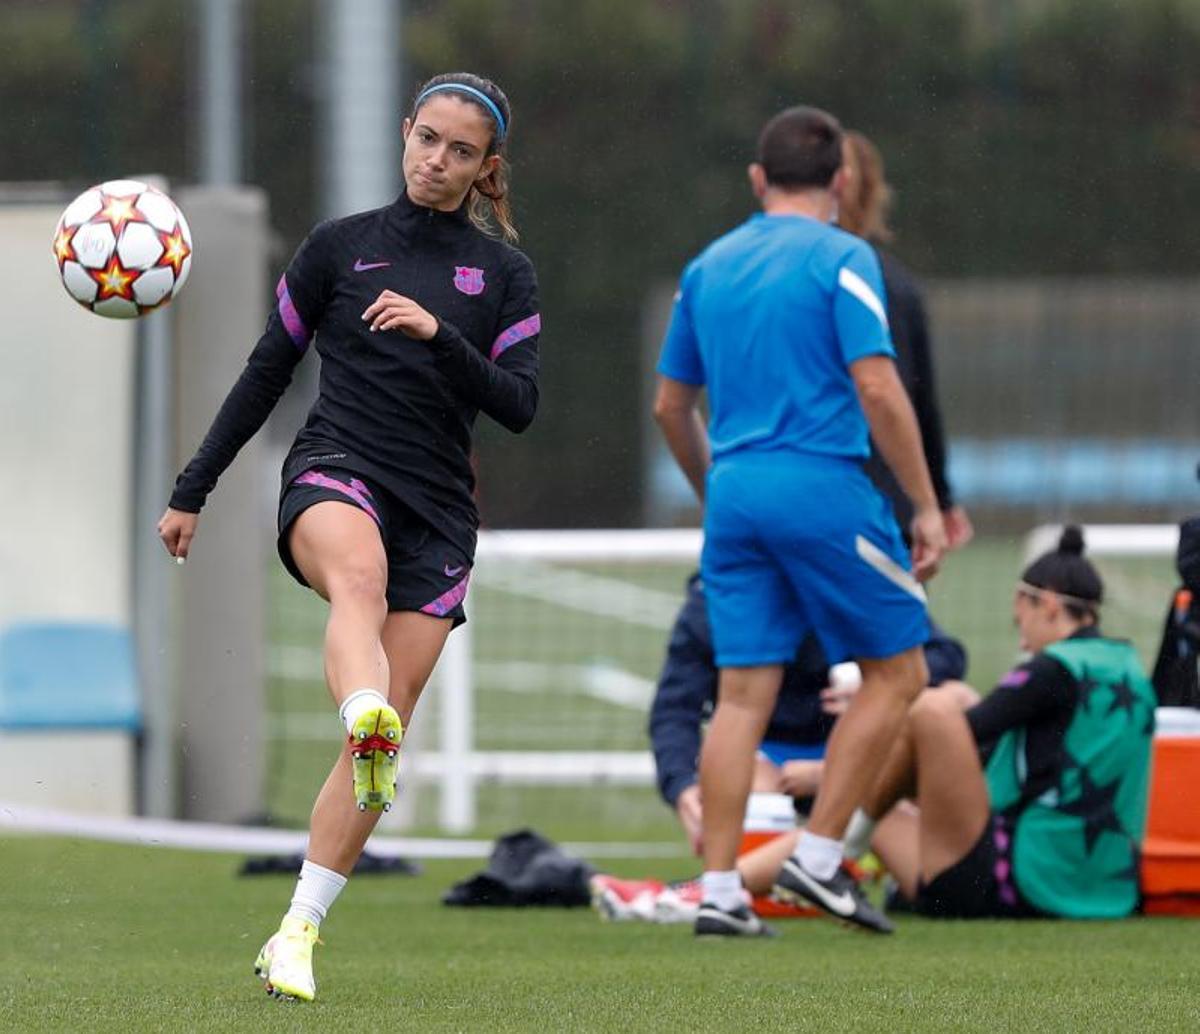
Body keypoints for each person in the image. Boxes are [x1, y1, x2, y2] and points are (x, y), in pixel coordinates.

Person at [157, 73, 540, 1001]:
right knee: (356, 584)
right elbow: (262, 375)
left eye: (459, 152)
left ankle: (296, 931)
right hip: (337, 470)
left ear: (486, 169)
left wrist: (442, 334)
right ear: (405, 131)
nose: (435, 161)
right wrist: (193, 489)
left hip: (440, 511)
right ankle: (363, 716)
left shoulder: (502, 276)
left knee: (382, 737)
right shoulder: (339, 248)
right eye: (427, 139)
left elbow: (520, 405)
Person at [654, 104, 947, 938]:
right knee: (900, 675)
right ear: (842, 182)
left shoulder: (707, 267)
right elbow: (881, 389)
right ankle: (820, 861)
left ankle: (718, 893)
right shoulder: (844, 257)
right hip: (821, 484)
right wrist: (924, 504)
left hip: (737, 489)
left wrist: (719, 492)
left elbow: (670, 406)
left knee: (740, 696)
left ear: (757, 180)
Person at [851, 527, 1156, 919]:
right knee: (951, 707)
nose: (1024, 644)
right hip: (1108, 886)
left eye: (1021, 623)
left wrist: (838, 769)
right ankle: (824, 854)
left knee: (933, 710)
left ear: (1045, 604)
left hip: (1023, 884)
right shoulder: (1130, 669)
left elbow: (950, 739)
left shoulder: (1053, 670)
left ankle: (825, 853)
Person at [650, 574, 970, 855]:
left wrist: (875, 682)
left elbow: (944, 654)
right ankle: (735, 883)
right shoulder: (714, 601)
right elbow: (674, 709)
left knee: (956, 700)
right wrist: (682, 785)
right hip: (765, 759)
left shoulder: (856, 580)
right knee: (752, 790)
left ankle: (881, 854)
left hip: (862, 753)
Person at [838, 130, 973, 551]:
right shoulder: (892, 284)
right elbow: (915, 401)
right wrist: (936, 501)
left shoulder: (761, 278)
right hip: (881, 509)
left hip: (792, 507)